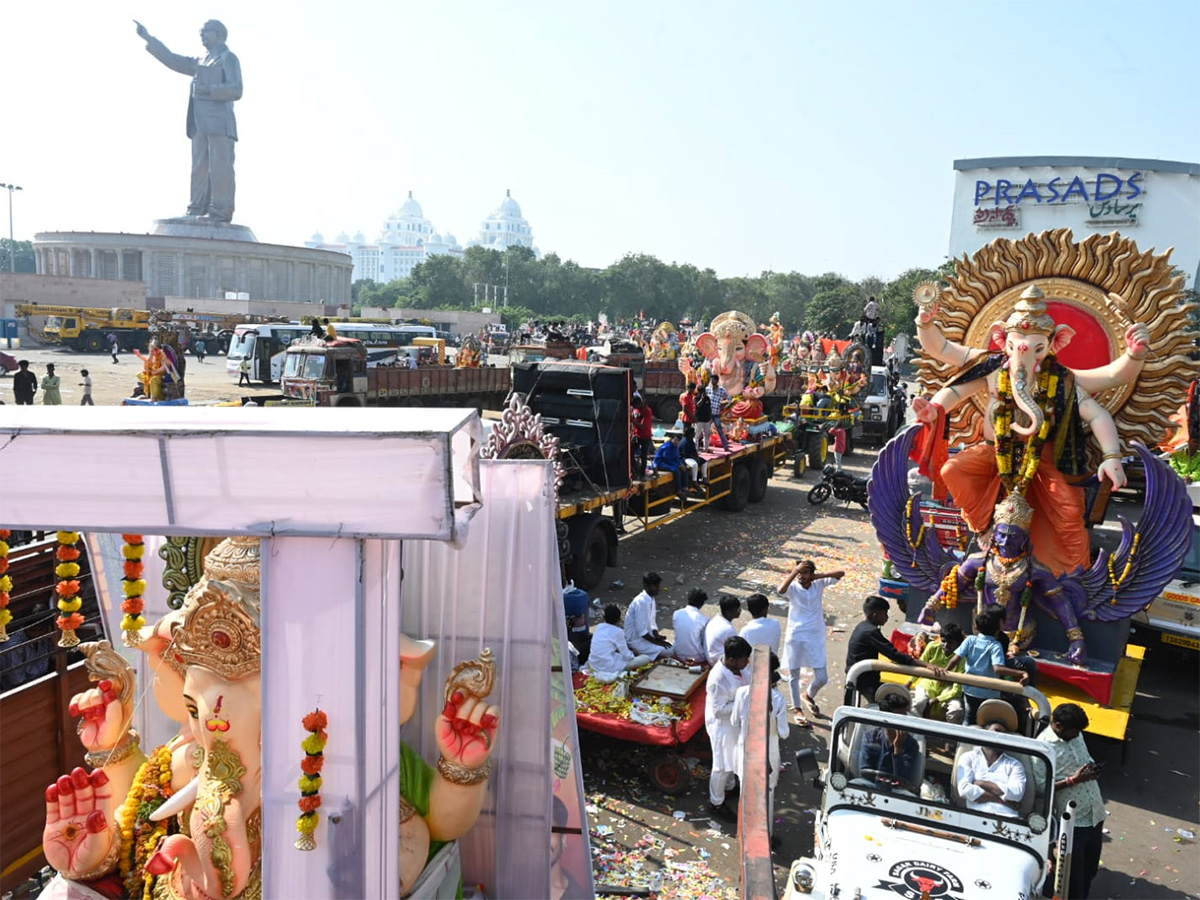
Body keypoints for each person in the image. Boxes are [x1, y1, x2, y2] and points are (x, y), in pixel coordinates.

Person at [136, 19, 242, 222]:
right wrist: (149, 39)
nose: (201, 35)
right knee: (199, 169)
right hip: (199, 123)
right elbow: (174, 60)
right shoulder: (201, 60)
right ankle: (196, 207)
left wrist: (209, 90)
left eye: (205, 31)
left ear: (219, 34)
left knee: (220, 168)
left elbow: (236, 89)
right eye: (200, 32)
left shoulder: (228, 58)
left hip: (220, 124)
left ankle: (220, 211)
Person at [1037, 703, 1105, 899]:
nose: (1077, 735)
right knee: (1073, 877)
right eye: (1074, 732)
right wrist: (1072, 781)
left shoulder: (1077, 734)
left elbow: (1085, 756)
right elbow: (1042, 787)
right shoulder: (1043, 747)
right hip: (1073, 823)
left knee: (1089, 869)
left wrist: (1092, 768)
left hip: (1095, 814)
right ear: (1057, 725)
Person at [731, 651, 789, 844]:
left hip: (744, 751)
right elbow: (784, 733)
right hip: (768, 754)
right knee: (767, 797)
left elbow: (734, 721)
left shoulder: (741, 693)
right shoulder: (778, 699)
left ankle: (743, 835)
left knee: (744, 795)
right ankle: (767, 837)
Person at [778, 560, 845, 725]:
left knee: (822, 677)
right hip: (796, 634)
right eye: (800, 573)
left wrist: (816, 576)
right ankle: (797, 708)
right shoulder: (793, 587)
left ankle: (808, 695)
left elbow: (841, 573)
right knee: (794, 675)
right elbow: (780, 590)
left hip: (815, 635)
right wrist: (795, 571)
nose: (801, 576)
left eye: (805, 573)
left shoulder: (819, 584)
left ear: (812, 574)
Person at [844, 595, 937, 705]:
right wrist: (925, 665)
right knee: (888, 704)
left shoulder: (863, 626)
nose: (887, 617)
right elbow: (894, 655)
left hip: (857, 674)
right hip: (864, 679)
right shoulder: (871, 632)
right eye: (885, 613)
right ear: (875, 615)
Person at [944, 609, 1029, 726]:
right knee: (986, 722)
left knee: (969, 719)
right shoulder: (995, 646)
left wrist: (945, 672)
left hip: (970, 691)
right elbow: (997, 669)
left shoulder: (970, 640)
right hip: (989, 693)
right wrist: (1020, 673)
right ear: (997, 631)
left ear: (977, 628)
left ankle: (962, 743)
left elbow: (955, 659)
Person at [705, 635, 751, 823]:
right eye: (743, 659)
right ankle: (716, 803)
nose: (747, 662)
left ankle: (730, 787)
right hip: (722, 727)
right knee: (722, 765)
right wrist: (744, 702)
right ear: (731, 660)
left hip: (735, 723)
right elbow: (718, 711)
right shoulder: (718, 679)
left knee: (733, 758)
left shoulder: (739, 668)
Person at [955, 700, 1027, 817]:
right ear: (985, 733)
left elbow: (1016, 794)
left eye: (1004, 734)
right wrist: (1000, 799)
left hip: (1008, 819)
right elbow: (964, 790)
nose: (999, 737)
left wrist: (981, 783)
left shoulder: (1015, 764)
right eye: (996, 731)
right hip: (975, 817)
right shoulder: (968, 757)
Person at [857, 688, 922, 789]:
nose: (901, 722)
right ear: (885, 719)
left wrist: (897, 749)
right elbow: (865, 770)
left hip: (897, 791)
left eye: (904, 718)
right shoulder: (871, 737)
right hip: (871, 787)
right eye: (897, 718)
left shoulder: (911, 745)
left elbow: (904, 778)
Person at [909, 623, 966, 723]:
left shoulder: (963, 659)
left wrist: (935, 700)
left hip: (948, 689)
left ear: (958, 643)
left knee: (956, 711)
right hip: (928, 683)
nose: (946, 645)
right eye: (943, 641)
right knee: (919, 702)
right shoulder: (932, 646)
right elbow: (920, 666)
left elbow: (957, 691)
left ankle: (949, 737)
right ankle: (915, 733)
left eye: (951, 643)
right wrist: (909, 683)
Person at [587, 604, 653, 683]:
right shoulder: (618, 632)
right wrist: (634, 654)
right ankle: (619, 672)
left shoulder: (599, 627)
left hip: (594, 664)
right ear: (619, 619)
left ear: (604, 617)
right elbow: (627, 656)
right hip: (608, 666)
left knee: (617, 655)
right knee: (646, 658)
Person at [623, 572, 672, 660]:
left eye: (658, 585)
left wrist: (657, 636)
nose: (657, 588)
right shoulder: (642, 602)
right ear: (646, 585)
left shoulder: (651, 599)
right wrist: (657, 643)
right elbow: (641, 631)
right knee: (670, 650)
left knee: (671, 646)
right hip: (635, 641)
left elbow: (652, 622)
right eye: (655, 586)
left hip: (646, 639)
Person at [671, 588, 709, 665]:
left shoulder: (677, 613)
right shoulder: (704, 619)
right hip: (697, 658)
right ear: (701, 603)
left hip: (679, 654)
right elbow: (704, 642)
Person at [704, 594, 742, 666]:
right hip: (718, 661)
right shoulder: (728, 629)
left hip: (710, 657)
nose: (740, 611)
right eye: (737, 609)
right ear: (728, 612)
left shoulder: (714, 620)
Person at [652, 432, 688, 504]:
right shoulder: (668, 446)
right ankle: (679, 491)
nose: (676, 442)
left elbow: (676, 458)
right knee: (676, 471)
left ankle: (685, 487)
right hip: (661, 463)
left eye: (678, 441)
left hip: (669, 462)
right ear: (672, 439)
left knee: (685, 468)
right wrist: (678, 465)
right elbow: (667, 459)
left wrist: (680, 464)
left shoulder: (675, 447)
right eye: (675, 440)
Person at [706, 374, 732, 452]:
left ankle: (725, 446)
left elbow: (730, 398)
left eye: (713, 380)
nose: (712, 381)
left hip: (716, 413)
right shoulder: (707, 389)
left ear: (717, 381)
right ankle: (704, 446)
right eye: (711, 380)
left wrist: (724, 406)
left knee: (720, 430)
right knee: (705, 430)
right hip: (708, 414)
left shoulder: (721, 390)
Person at [631, 396, 654, 475]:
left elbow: (643, 426)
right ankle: (634, 469)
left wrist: (632, 421)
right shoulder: (635, 409)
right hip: (636, 435)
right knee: (630, 453)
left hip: (645, 436)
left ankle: (642, 473)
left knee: (643, 456)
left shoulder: (647, 411)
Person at [679, 424, 707, 490]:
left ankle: (704, 477)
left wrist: (697, 457)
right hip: (685, 458)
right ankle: (694, 481)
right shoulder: (685, 441)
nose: (694, 434)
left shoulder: (690, 440)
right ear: (690, 434)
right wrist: (695, 458)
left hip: (691, 456)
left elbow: (693, 451)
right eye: (693, 433)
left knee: (704, 462)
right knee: (694, 464)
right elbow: (686, 454)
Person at [694, 381, 714, 451]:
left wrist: (711, 418)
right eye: (703, 391)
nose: (704, 393)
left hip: (707, 420)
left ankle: (706, 448)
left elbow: (709, 408)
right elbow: (698, 405)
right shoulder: (697, 398)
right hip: (699, 420)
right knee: (697, 435)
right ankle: (696, 449)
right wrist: (702, 399)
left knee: (707, 435)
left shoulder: (708, 398)